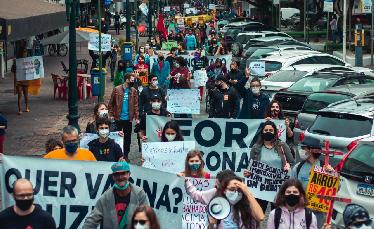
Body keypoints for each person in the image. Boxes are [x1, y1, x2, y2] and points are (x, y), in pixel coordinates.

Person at [245, 120, 294, 212]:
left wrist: (288, 166)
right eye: (266, 130)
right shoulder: (256, 148)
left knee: (278, 215)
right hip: (260, 188)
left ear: (275, 132)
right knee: (258, 214)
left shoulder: (282, 146)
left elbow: (291, 162)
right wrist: (248, 172)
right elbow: (250, 166)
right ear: (262, 132)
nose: (268, 132)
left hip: (278, 188)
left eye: (270, 130)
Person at [83, 161, 150, 228]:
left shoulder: (139, 194)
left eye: (123, 173)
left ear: (129, 174)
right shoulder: (106, 197)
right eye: (116, 174)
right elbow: (91, 221)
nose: (120, 177)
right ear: (113, 177)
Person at [185, 174, 265, 228]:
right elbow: (196, 194)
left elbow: (260, 217)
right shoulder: (218, 204)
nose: (236, 192)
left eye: (239, 190)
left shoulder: (247, 205)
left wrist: (247, 192)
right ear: (224, 190)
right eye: (232, 189)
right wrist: (212, 225)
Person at [291, 136, 335, 228]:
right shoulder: (298, 167)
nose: (301, 151)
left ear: (311, 150)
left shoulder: (325, 168)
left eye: (303, 148)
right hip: (299, 211)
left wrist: (332, 174)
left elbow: (336, 188)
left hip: (317, 213)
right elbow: (290, 186)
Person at [108, 73, 139, 161]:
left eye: (134, 80)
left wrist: (137, 117)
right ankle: (117, 154)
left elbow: (136, 105)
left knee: (127, 138)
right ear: (127, 80)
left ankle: (126, 155)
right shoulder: (117, 89)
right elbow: (111, 103)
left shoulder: (133, 91)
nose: (133, 82)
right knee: (117, 136)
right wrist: (110, 115)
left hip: (128, 119)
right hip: (118, 118)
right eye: (132, 80)